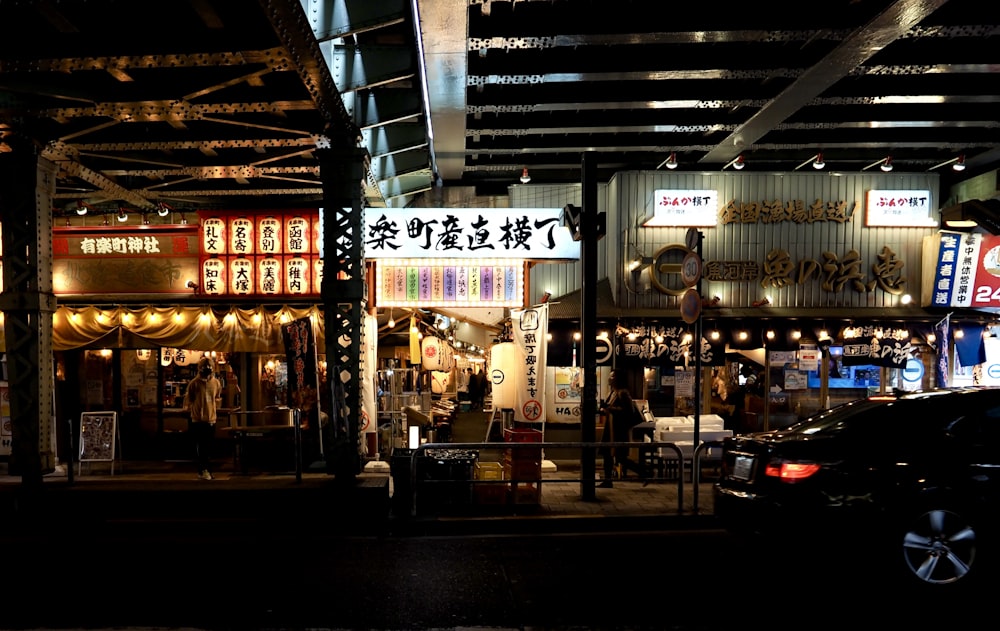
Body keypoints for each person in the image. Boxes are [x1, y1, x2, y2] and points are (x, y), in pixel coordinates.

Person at [598, 369, 644, 488]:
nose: (609, 378)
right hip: (610, 428)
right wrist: (604, 409)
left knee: (620, 458)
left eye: (612, 377)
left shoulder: (623, 393)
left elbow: (629, 411)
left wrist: (610, 408)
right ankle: (608, 480)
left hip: (618, 431)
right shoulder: (612, 392)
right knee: (608, 455)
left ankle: (644, 472)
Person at [184, 356, 222, 480]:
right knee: (201, 446)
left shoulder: (216, 383)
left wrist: (214, 407)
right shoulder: (194, 383)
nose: (207, 369)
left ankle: (206, 470)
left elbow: (217, 397)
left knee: (208, 446)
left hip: (211, 419)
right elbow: (189, 400)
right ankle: (203, 470)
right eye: (205, 367)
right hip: (197, 420)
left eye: (209, 366)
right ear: (199, 368)